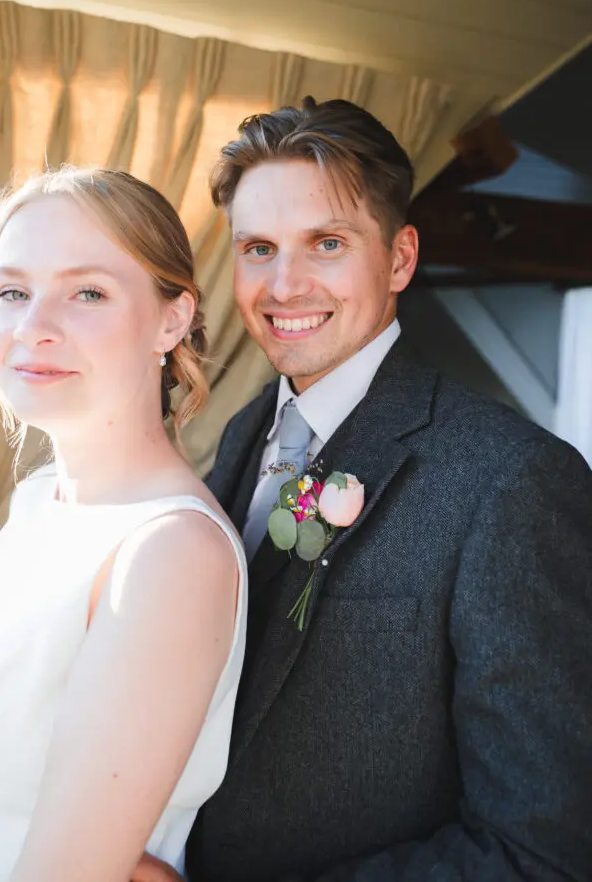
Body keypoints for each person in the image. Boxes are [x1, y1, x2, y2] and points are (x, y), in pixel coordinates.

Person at [134, 99, 592, 882]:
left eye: (327, 243)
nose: (283, 285)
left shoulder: (511, 482)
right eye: (257, 248)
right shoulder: (241, 436)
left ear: (400, 258)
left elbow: (539, 851)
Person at [0, 168, 247, 882]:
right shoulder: (37, 503)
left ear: (171, 320)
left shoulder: (169, 555)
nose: (32, 327)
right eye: (13, 291)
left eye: (87, 293)